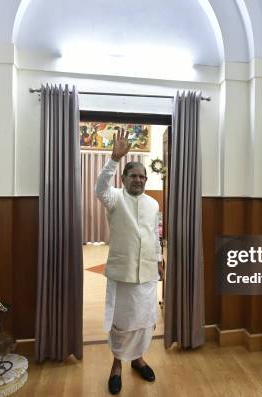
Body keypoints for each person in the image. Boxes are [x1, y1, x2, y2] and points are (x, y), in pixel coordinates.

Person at [95, 128, 164, 395]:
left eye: (143, 176)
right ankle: (116, 365)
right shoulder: (113, 198)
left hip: (147, 272)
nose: (139, 180)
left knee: (145, 319)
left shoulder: (153, 204)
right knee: (122, 321)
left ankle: (138, 359)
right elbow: (99, 187)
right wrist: (113, 159)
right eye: (134, 175)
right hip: (122, 272)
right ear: (123, 178)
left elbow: (155, 236)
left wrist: (158, 260)